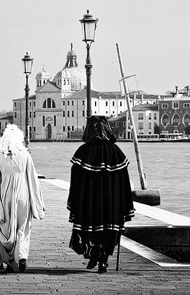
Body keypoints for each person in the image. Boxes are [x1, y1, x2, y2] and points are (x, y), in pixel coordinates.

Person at [67, 116, 135, 274]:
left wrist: (75, 201)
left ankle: (95, 255)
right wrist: (125, 203)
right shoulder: (116, 152)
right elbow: (124, 182)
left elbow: (75, 182)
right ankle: (102, 259)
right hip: (112, 203)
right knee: (109, 229)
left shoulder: (83, 152)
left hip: (89, 202)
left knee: (90, 228)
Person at [0, 124, 45, 273]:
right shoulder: (25, 155)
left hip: (5, 197)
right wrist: (37, 204)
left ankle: (11, 262)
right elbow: (32, 180)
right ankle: (22, 256)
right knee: (23, 228)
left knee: (6, 230)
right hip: (23, 197)